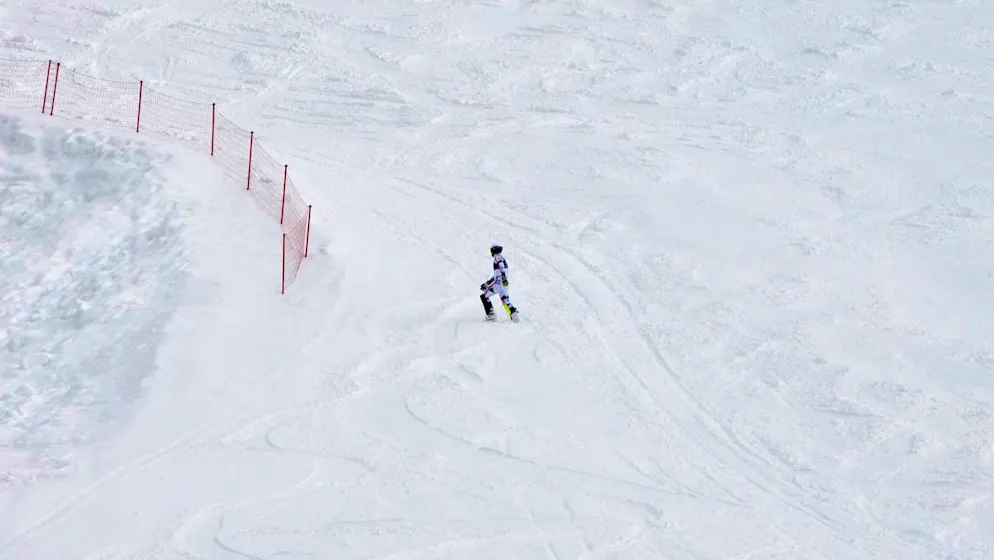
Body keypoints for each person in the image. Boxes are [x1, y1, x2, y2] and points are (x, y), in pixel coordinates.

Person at [480, 244, 519, 321]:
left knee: (484, 296)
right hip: (504, 285)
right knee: (505, 301)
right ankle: (513, 313)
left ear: (494, 250)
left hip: (499, 284)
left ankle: (491, 315)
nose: (490, 252)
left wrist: (504, 278)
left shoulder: (497, 257)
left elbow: (501, 268)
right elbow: (497, 275)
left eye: (491, 250)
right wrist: (487, 283)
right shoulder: (502, 258)